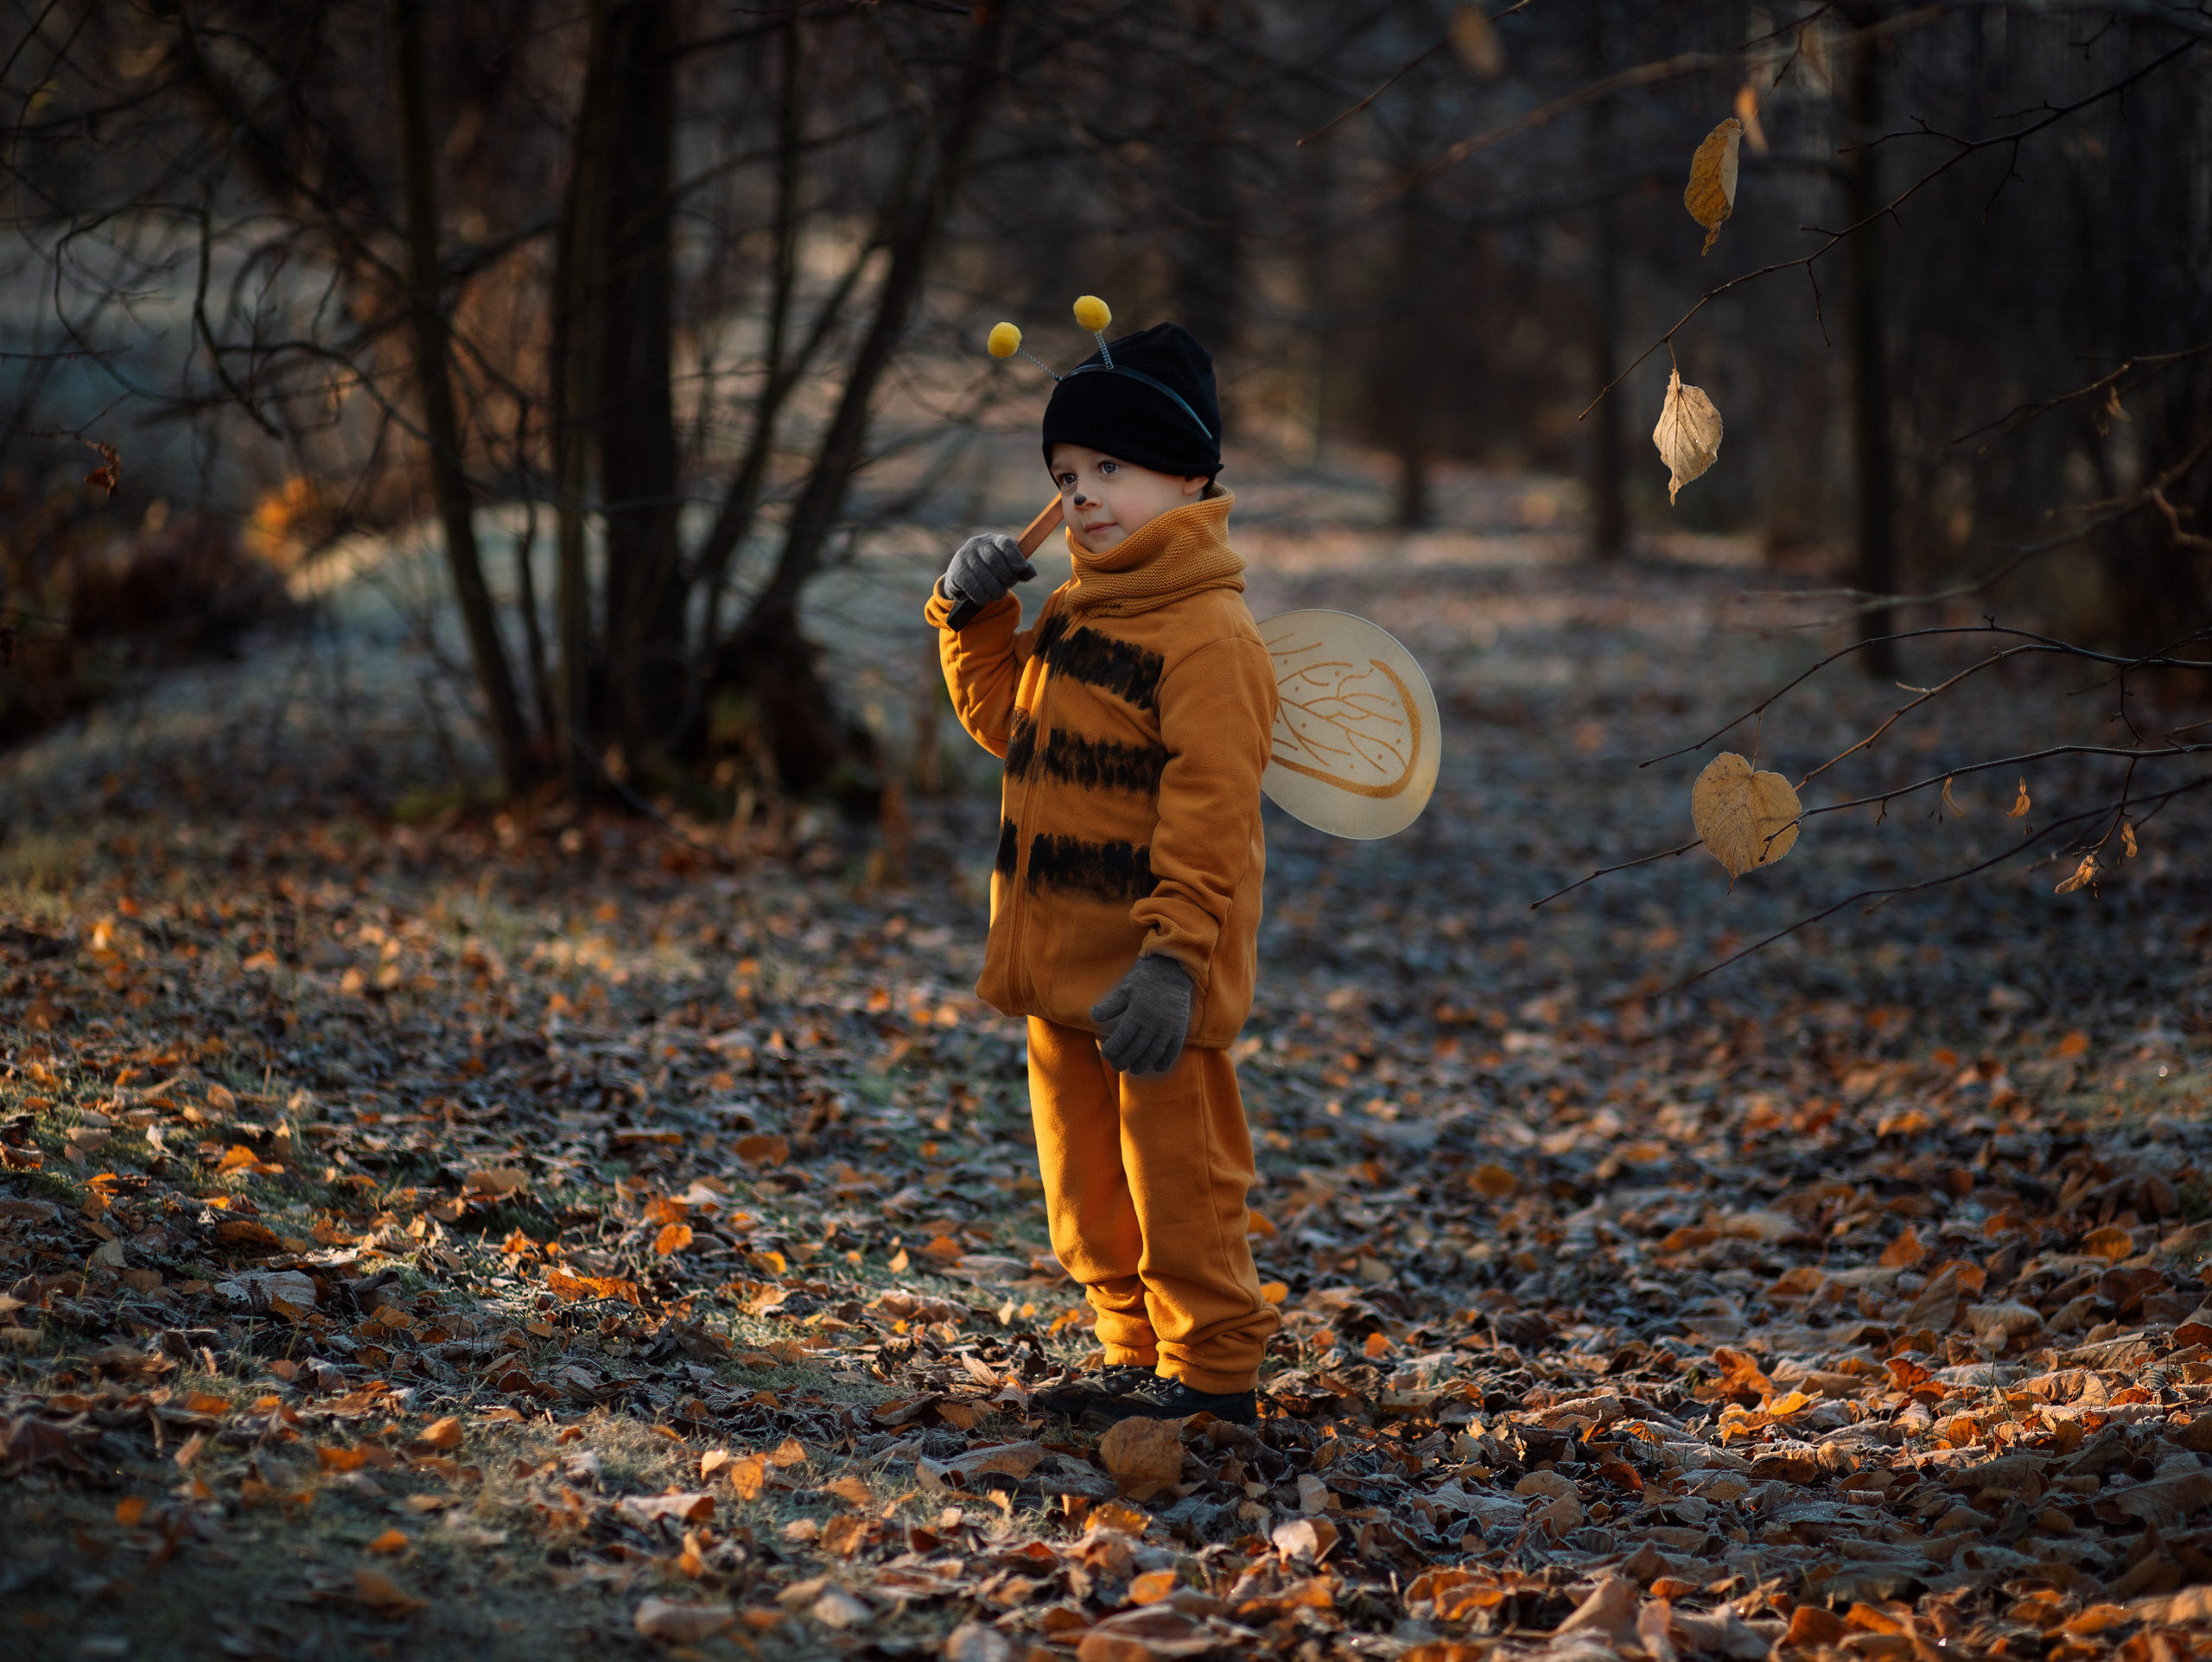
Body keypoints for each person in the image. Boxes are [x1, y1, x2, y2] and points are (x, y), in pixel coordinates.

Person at [924, 319, 1280, 1424]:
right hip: (1055, 968)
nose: (1081, 496)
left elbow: (1212, 814)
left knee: (1181, 1183)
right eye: (1066, 474)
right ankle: (1130, 1354)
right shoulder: (1078, 609)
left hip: (1151, 978)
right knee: (1084, 1190)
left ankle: (1214, 1374)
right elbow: (1006, 724)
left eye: (1111, 470)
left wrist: (1175, 960)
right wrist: (973, 617)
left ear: (1191, 474)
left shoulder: (1209, 637)